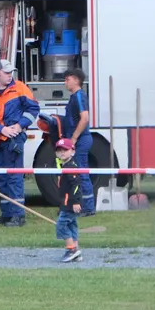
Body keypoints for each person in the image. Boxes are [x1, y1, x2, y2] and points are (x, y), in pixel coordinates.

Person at [0, 59, 39, 226]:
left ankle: (18, 215)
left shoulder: (20, 88)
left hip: (14, 139)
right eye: (7, 73)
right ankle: (6, 214)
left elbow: (33, 109)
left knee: (14, 177)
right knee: (0, 177)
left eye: (11, 72)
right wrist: (0, 129)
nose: (10, 75)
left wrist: (19, 126)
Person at [61, 68, 96, 215]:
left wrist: (74, 138)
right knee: (76, 173)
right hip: (77, 140)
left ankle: (88, 208)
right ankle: (79, 205)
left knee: (81, 172)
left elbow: (85, 118)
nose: (65, 82)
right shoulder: (74, 97)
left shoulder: (79, 96)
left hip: (81, 140)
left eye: (67, 79)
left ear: (76, 80)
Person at [53, 139, 84, 263]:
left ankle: (71, 249)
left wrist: (76, 202)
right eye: (59, 151)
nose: (62, 153)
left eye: (65, 150)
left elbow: (76, 185)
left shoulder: (71, 166)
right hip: (66, 201)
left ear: (72, 151)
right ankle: (76, 251)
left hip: (70, 203)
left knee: (61, 225)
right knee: (72, 225)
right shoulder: (64, 165)